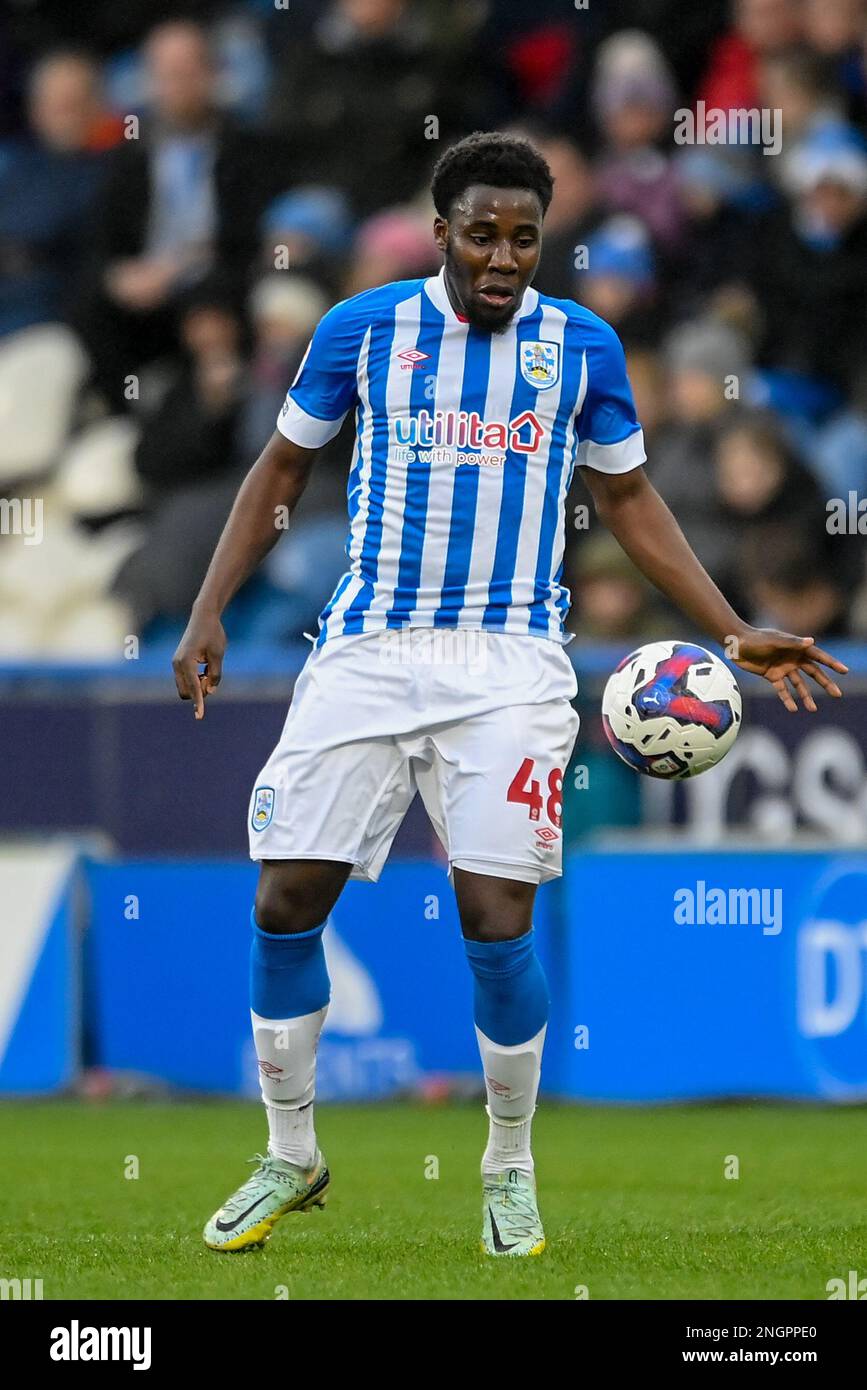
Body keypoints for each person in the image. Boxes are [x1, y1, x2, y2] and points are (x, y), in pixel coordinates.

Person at [172, 132, 847, 1260]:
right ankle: (292, 1150)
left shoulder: (581, 346)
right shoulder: (361, 332)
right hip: (370, 647)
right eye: (481, 233)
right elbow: (282, 469)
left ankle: (508, 1169)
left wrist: (728, 626)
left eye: (524, 237)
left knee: (498, 918)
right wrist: (207, 608)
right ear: (442, 231)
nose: (502, 256)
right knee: (286, 899)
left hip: (513, 659)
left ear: (545, 240)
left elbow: (629, 500)